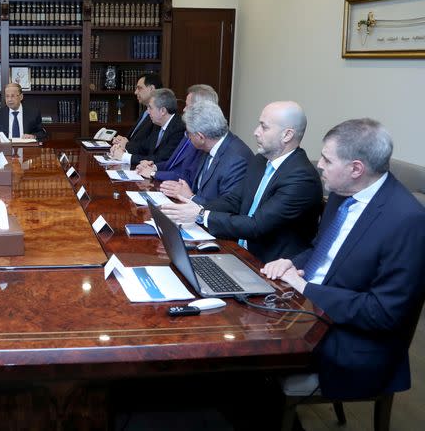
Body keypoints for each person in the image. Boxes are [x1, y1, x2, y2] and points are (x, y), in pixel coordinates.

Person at [261, 119, 425, 400]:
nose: (319, 165)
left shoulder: (407, 220)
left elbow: (384, 312)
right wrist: (293, 263)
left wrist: (306, 289)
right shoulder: (342, 192)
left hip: (355, 339)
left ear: (356, 169)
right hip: (310, 305)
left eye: (326, 159)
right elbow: (320, 249)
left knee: (254, 357)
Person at [161, 101, 322, 263]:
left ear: (287, 135)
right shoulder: (260, 161)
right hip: (237, 250)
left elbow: (256, 225)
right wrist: (192, 208)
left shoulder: (301, 178)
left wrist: (202, 215)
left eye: (264, 127)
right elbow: (234, 200)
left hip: (268, 266)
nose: (256, 132)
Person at [155, 100, 253, 204]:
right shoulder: (207, 146)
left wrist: (191, 197)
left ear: (200, 137)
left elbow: (227, 207)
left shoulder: (236, 160)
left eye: (189, 133)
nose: (187, 137)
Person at [135, 84, 219, 182]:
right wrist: (154, 167)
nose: (183, 109)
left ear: (200, 108)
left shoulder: (202, 139)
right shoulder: (189, 132)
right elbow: (172, 163)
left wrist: (154, 173)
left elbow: (187, 175)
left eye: (187, 106)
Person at [109, 88, 185, 167]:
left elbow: (160, 159)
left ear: (162, 111)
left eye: (150, 108)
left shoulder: (179, 128)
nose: (148, 112)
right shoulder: (158, 124)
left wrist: (125, 157)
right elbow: (143, 148)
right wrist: (123, 149)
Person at [110, 73, 161, 151]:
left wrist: (127, 145)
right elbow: (133, 140)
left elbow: (147, 147)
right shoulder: (145, 112)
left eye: (139, 88)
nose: (135, 92)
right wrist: (123, 140)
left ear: (152, 89)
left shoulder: (158, 116)